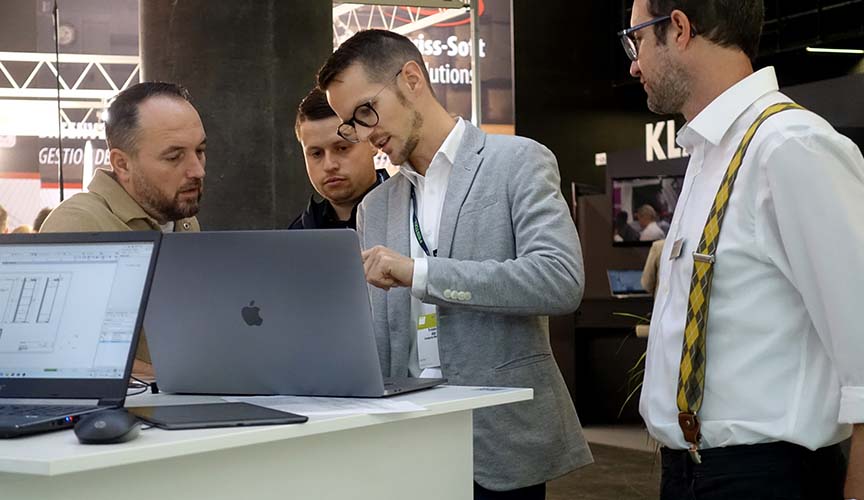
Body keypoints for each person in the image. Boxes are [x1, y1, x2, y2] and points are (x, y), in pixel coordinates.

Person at [318, 29, 591, 499]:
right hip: (403, 443)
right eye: (352, 124)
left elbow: (560, 280)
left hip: (497, 442)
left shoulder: (516, 162)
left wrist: (419, 274)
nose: (365, 133)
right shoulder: (376, 205)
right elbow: (377, 332)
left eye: (366, 111)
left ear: (412, 79)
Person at [622, 0, 864, 498]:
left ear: (680, 28)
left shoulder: (790, 145)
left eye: (637, 39)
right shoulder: (710, 153)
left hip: (768, 475)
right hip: (692, 471)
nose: (634, 62)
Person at [40, 81, 206, 375]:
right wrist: (190, 376)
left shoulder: (185, 221)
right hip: (125, 413)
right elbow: (74, 353)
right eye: (174, 157)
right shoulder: (80, 225)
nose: (197, 170)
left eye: (200, 151)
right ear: (122, 164)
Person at [290, 87, 388, 230]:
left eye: (342, 148)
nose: (329, 165)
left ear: (372, 142)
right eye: (317, 153)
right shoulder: (296, 236)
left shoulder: (414, 213)